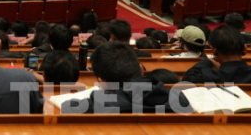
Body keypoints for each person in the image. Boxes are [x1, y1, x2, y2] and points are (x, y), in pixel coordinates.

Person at [61, 41, 190, 113]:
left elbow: (67, 107)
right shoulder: (179, 98)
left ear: (103, 82)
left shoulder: (99, 103)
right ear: (141, 70)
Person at [183, 25, 251, 83]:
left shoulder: (210, 77)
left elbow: (186, 82)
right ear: (244, 49)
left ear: (214, 50)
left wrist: (206, 61)